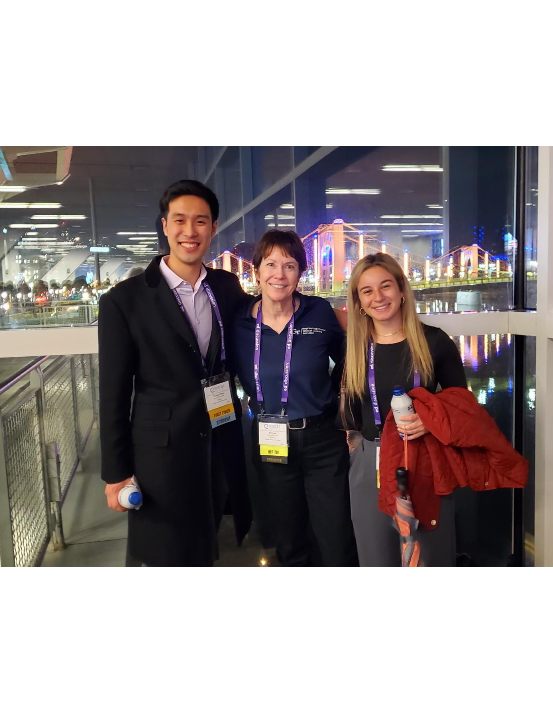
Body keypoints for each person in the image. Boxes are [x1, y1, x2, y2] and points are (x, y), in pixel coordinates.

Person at [98, 179, 253, 566]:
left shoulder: (226, 286)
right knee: (164, 550)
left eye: (201, 221)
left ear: (214, 228)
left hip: (218, 437)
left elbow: (268, 312)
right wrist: (115, 473)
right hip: (160, 451)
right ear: (164, 226)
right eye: (180, 220)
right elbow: (113, 393)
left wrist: (334, 316)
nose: (190, 231)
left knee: (209, 538)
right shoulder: (124, 301)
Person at [227, 229, 358, 566]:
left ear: (300, 273)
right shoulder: (238, 323)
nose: (279, 274)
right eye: (271, 264)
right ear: (257, 271)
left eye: (289, 265)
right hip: (269, 440)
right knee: (287, 533)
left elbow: (348, 358)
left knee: (334, 531)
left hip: (322, 439)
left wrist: (331, 394)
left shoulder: (318, 312)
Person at [341, 253, 467, 566]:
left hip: (423, 459)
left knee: (429, 560)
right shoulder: (356, 348)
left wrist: (430, 420)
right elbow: (349, 414)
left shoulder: (434, 342)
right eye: (367, 291)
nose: (378, 297)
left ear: (401, 291)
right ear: (358, 301)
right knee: (376, 558)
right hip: (372, 464)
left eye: (385, 286)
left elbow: (462, 404)